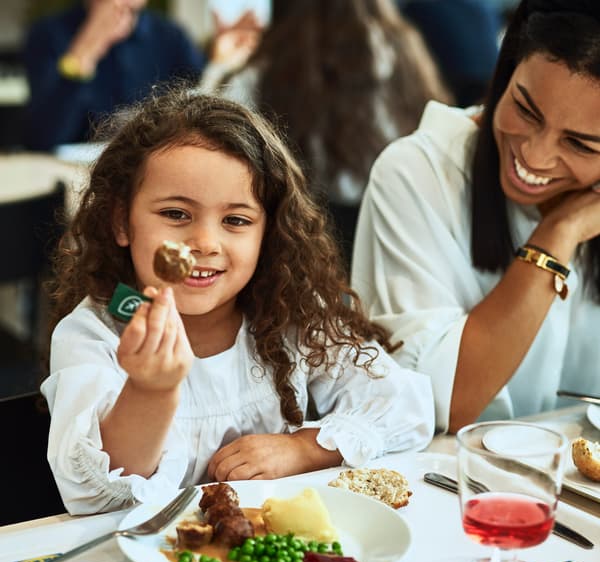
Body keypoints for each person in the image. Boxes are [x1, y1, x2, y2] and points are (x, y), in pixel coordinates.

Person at [40, 87, 434, 514]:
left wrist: (302, 450)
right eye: (176, 214)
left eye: (236, 220)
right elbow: (94, 495)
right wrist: (150, 390)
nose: (205, 242)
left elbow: (405, 407)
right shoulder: (92, 336)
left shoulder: (289, 315)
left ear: (269, 234)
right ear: (121, 221)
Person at [351, 0, 600, 433]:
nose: (535, 156)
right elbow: (447, 401)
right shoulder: (418, 173)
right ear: (506, 74)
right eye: (525, 109)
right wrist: (559, 231)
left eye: (580, 145)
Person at [208, 0, 451, 270]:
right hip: (397, 237)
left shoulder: (269, 72)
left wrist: (219, 66)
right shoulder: (405, 57)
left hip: (300, 246)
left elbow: (210, 130)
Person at [23, 0, 261, 151]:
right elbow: (43, 138)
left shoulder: (169, 36)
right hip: (69, 177)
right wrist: (82, 54)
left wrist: (220, 62)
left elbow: (203, 108)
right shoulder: (50, 34)